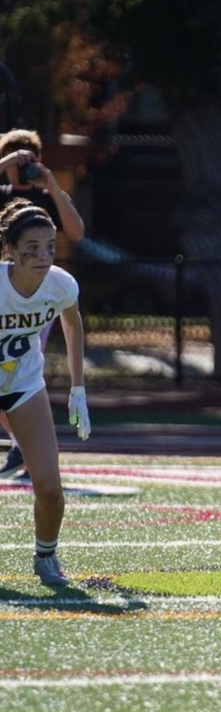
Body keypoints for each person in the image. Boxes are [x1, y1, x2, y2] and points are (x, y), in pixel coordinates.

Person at [0, 198, 90, 585]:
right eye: (32, 249)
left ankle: (46, 556)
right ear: (11, 251)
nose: (43, 256)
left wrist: (78, 388)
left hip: (22, 383)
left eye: (49, 247)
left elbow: (73, 324)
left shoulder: (60, 284)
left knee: (50, 488)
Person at [0, 130, 86, 479]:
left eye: (29, 157)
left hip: (31, 298)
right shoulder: (3, 194)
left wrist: (50, 181)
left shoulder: (46, 199)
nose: (23, 166)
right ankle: (19, 438)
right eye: (14, 157)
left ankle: (25, 441)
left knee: (19, 368)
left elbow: (76, 232)